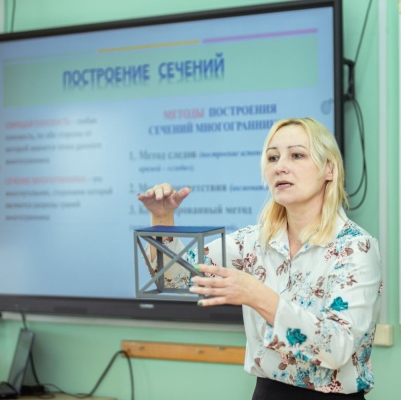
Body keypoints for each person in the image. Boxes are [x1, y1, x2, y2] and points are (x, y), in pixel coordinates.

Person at [138, 117, 383, 400]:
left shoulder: (356, 247)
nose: (280, 167)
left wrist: (258, 296)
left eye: (297, 155)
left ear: (329, 169)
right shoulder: (253, 242)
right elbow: (174, 277)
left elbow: (337, 348)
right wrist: (162, 218)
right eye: (273, 157)